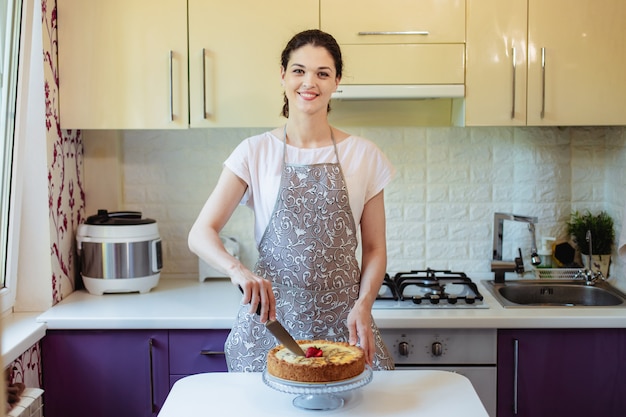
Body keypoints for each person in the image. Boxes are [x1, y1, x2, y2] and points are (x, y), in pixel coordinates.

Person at [188, 29, 395, 371]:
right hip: (273, 326)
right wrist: (238, 270)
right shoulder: (254, 152)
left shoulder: (364, 155)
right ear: (283, 75)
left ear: (336, 81)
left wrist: (365, 303)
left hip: (346, 325)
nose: (309, 82)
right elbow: (200, 232)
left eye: (322, 73)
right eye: (299, 70)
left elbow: (374, 248)